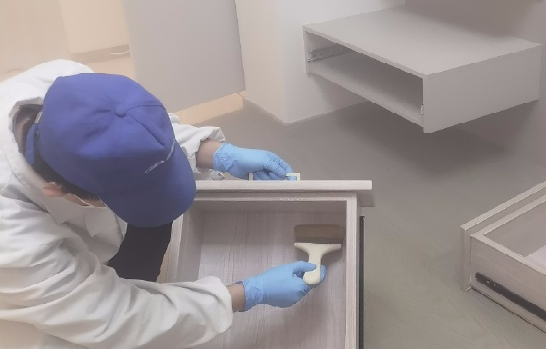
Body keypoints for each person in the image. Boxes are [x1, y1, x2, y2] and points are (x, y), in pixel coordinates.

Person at [0, 60, 325, 349]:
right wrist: (247, 294)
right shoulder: (11, 236)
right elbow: (110, 316)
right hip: (33, 299)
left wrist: (216, 153)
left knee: (146, 245)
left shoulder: (73, 86)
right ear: (57, 191)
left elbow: (140, 133)